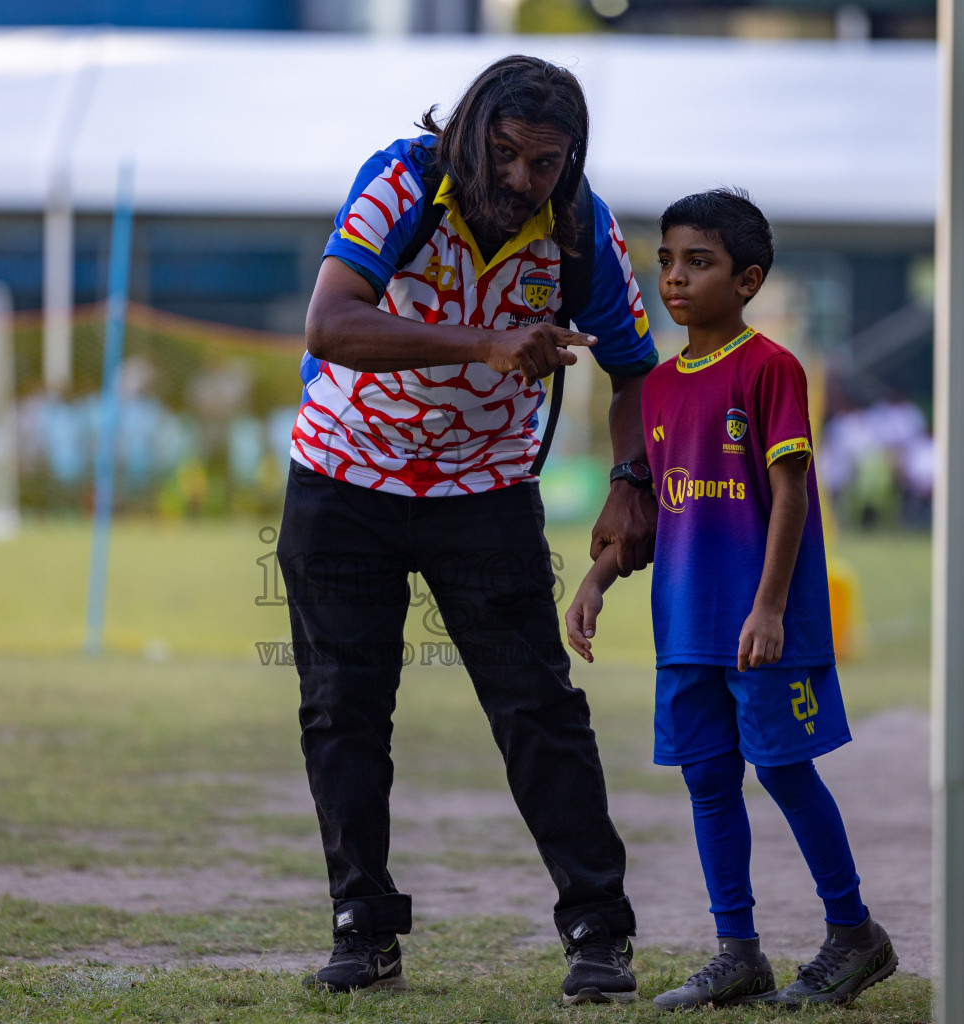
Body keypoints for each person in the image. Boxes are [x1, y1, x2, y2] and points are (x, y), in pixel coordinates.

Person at [278, 55, 658, 1003]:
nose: (522, 180)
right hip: (343, 475)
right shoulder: (404, 179)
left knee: (537, 706)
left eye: (545, 161)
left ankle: (598, 931)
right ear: (468, 133)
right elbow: (330, 323)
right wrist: (488, 344)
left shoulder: (580, 228)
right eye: (504, 154)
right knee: (344, 708)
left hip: (483, 488)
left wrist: (628, 481)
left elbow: (635, 368)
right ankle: (362, 927)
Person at [564, 189, 897, 1010]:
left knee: (784, 771)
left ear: (747, 280)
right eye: (667, 262)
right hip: (684, 626)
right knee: (708, 781)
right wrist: (598, 580)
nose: (674, 279)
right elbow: (654, 508)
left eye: (698, 263)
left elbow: (790, 496)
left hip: (764, 626)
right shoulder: (659, 388)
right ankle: (736, 952)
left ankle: (854, 933)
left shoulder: (772, 368)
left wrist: (771, 607)